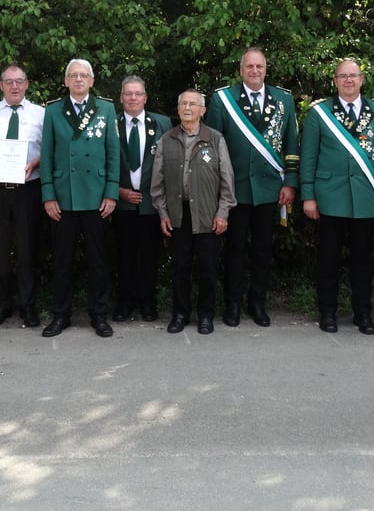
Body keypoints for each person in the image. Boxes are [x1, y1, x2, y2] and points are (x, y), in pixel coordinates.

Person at [301, 59, 374, 334]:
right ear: (334, 81)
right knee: (328, 260)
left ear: (362, 79)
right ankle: (328, 312)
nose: (348, 81)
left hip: (367, 199)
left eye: (353, 76)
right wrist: (308, 195)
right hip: (330, 198)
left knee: (363, 261)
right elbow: (309, 158)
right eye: (342, 76)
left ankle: (363, 314)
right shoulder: (320, 114)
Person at [205, 47, 299, 327]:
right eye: (249, 67)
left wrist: (291, 183)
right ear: (241, 70)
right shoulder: (223, 99)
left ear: (266, 69)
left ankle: (257, 303)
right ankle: (232, 304)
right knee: (234, 249)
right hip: (235, 190)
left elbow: (292, 145)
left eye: (259, 67)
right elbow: (212, 144)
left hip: (270, 189)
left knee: (262, 250)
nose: (254, 71)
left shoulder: (284, 99)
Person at [40, 58, 120, 338]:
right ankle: (60, 315)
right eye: (73, 75)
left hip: (97, 197)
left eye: (83, 75)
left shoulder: (107, 109)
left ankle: (99, 315)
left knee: (98, 260)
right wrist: (48, 194)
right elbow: (47, 156)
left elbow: (113, 153)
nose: (78, 80)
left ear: (92, 81)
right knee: (62, 261)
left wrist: (112, 192)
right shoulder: (52, 111)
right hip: (63, 197)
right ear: (65, 81)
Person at [151, 90, 236, 335]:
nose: (188, 108)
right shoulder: (167, 139)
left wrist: (223, 212)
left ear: (203, 110)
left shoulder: (215, 138)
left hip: (209, 214)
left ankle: (206, 315)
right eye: (183, 104)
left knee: (208, 268)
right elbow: (157, 182)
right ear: (178, 110)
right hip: (178, 214)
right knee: (180, 267)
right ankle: (180, 314)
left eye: (193, 104)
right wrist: (162, 212)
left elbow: (227, 180)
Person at [0, 64, 45, 328]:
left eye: (19, 81)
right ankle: (2, 304)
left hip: (29, 188)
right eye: (9, 81)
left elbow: (49, 150)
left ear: (27, 84)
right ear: (1, 85)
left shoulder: (41, 115)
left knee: (28, 249)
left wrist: (35, 162)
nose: (14, 86)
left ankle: (28, 305)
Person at [113, 75, 172, 322]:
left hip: (151, 203)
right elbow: (103, 163)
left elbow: (171, 163)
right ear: (121, 98)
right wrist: (117, 190)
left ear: (145, 97)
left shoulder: (162, 123)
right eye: (128, 93)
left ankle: (148, 302)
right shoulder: (109, 124)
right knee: (123, 256)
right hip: (122, 201)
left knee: (149, 256)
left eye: (138, 93)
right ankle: (124, 302)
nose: (133, 98)